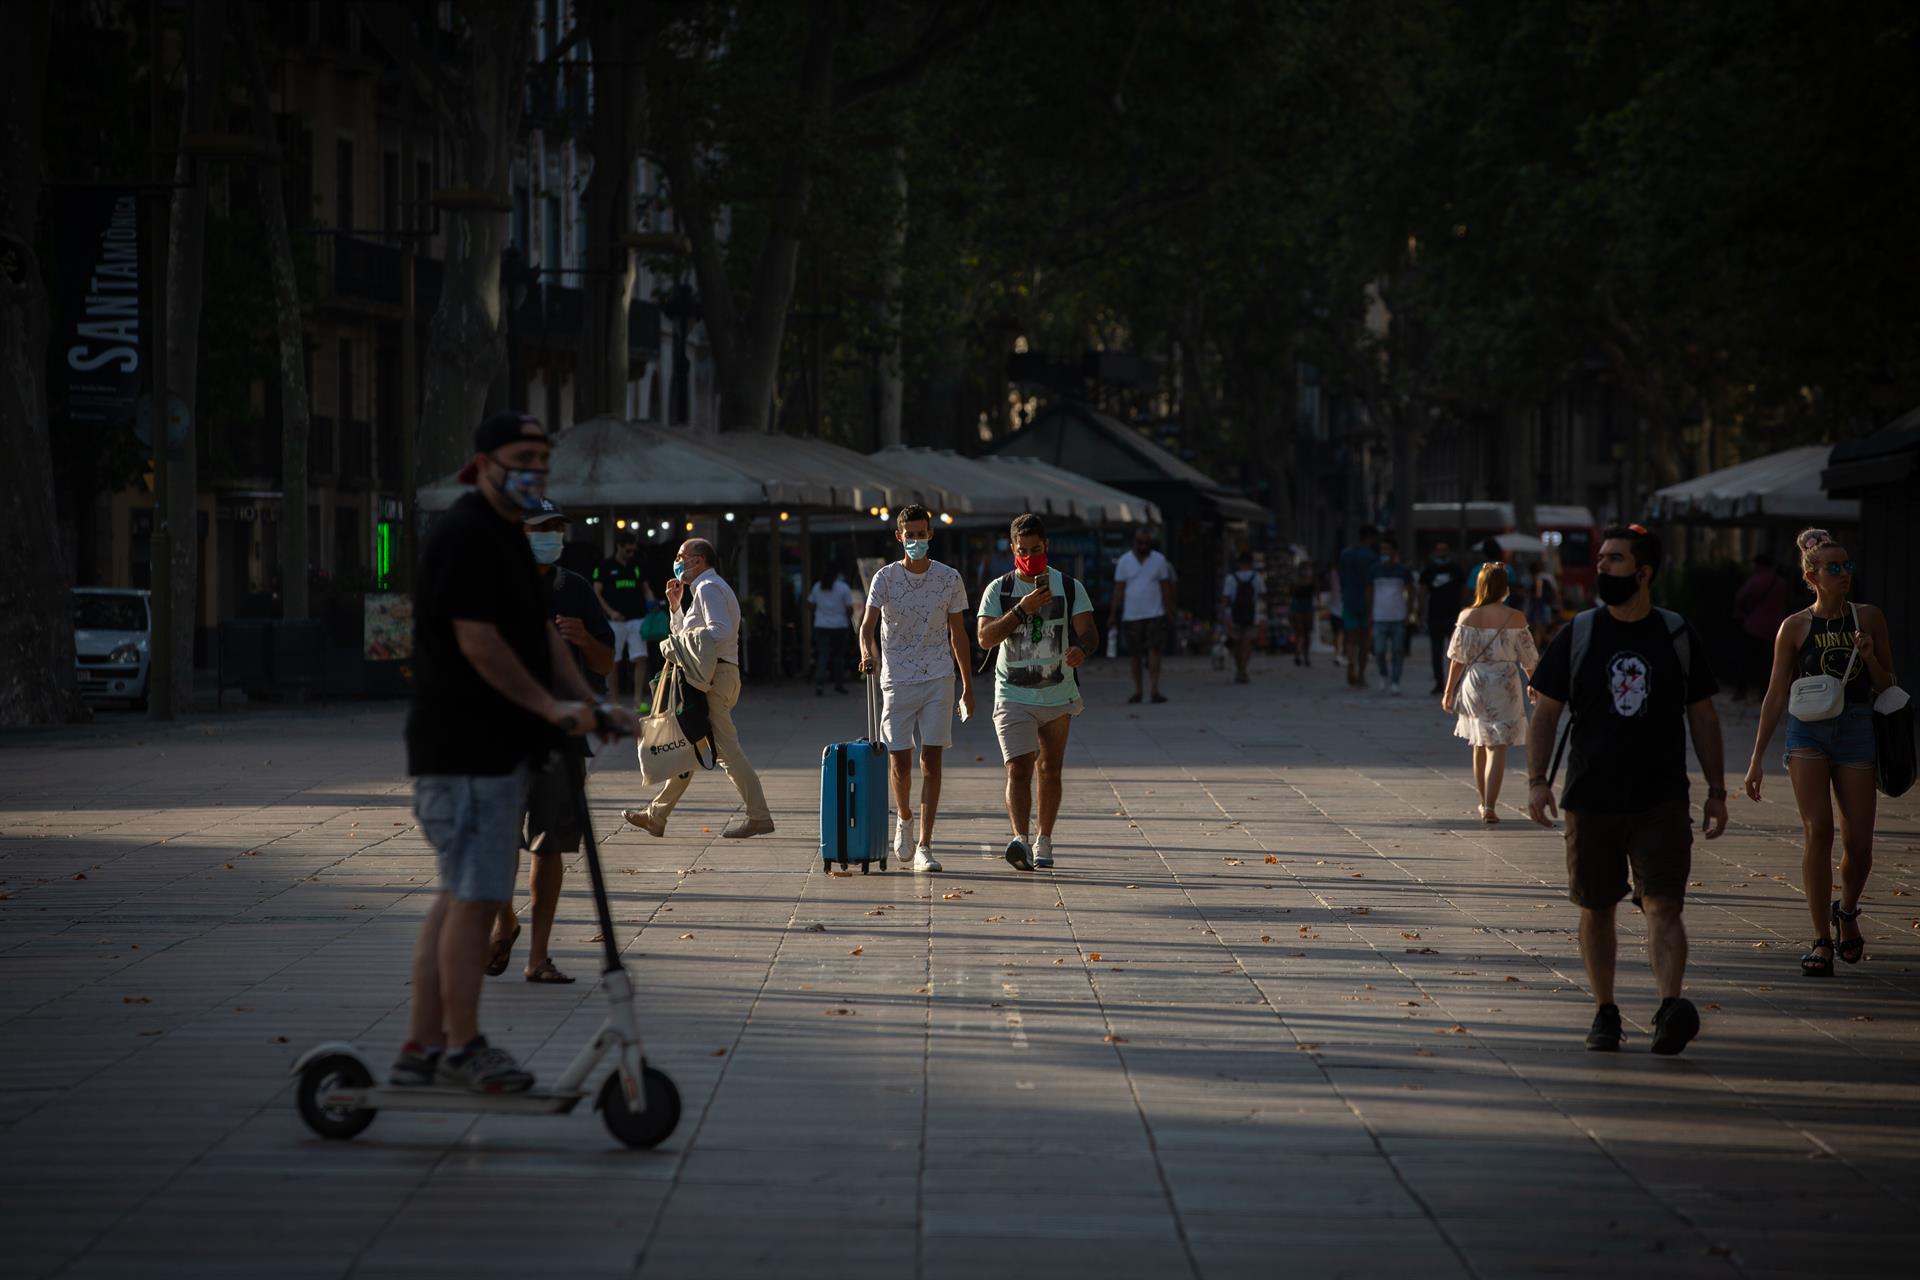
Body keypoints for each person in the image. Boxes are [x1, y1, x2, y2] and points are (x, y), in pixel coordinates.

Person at [395, 412, 636, 1093]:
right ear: (482, 464)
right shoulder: (465, 535)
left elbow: (541, 638)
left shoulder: (509, 539)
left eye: (543, 457)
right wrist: (550, 707)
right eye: (522, 455)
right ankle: (460, 1045)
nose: (535, 468)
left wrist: (589, 704)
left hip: (500, 751)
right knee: (474, 898)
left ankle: (422, 1047)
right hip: (461, 746)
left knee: (461, 897)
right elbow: (480, 643)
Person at [1526, 524, 1726, 1056]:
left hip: (1661, 796)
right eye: (1601, 559)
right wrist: (1537, 781)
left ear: (1644, 572)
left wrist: (1717, 789)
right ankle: (1605, 1011)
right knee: (1597, 907)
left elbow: (1703, 717)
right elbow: (1545, 712)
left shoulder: (1676, 635)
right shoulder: (1580, 633)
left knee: (1663, 904)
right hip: (1590, 796)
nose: (1602, 568)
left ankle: (1667, 1008)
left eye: (1614, 560)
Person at [1742, 529, 1898, 976]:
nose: (1844, 573)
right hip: (1807, 732)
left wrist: (1869, 659)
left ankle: (1846, 911)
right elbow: (1775, 694)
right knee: (1819, 831)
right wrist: (1756, 760)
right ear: (1811, 575)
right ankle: (1820, 940)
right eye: (1833, 567)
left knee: (1860, 843)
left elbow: (1890, 687)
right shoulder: (1793, 627)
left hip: (1855, 728)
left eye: (1847, 565)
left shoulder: (1869, 618)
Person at [485, 498, 613, 986]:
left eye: (557, 528)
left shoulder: (574, 589)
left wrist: (584, 641)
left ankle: (537, 957)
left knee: (550, 843)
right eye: (542, 527)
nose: (552, 535)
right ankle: (505, 923)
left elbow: (604, 664)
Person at [621, 538, 775, 840]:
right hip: (714, 676)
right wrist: (675, 608)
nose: (678, 561)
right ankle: (656, 816)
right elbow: (689, 634)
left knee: (726, 752)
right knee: (688, 746)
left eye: (682, 556)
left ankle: (759, 816)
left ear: (699, 561)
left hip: (714, 678)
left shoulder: (707, 587)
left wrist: (679, 645)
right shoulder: (703, 589)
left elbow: (720, 631)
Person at [858, 506, 976, 873]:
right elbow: (867, 626)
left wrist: (967, 686)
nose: (915, 541)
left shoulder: (949, 578)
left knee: (933, 760)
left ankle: (925, 843)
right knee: (900, 761)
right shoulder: (885, 578)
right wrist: (866, 652)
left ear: (931, 535)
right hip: (896, 678)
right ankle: (904, 818)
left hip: (939, 676)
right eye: (909, 536)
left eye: (921, 535)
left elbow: (958, 634)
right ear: (899, 537)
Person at [978, 513, 1099, 871]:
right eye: (1023, 550)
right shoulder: (999, 590)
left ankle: (1043, 838)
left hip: (1057, 694)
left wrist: (1082, 649)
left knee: (1050, 769)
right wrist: (1021, 609)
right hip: (1012, 694)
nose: (1030, 556)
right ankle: (1019, 839)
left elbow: (1089, 632)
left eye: (1036, 549)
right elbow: (985, 638)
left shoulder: (1070, 587)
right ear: (1012, 548)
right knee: (1018, 768)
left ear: (1046, 547)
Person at [1443, 563, 1538, 822]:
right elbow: (1529, 658)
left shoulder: (1467, 617)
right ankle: (1491, 806)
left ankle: (1483, 804)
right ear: (1505, 586)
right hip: (1505, 683)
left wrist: (1448, 691)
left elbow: (1457, 658)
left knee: (1478, 744)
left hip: (1476, 682)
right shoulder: (1516, 617)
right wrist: (1533, 682)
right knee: (1497, 747)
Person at [1111, 527, 1176, 704]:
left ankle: (1154, 688)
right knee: (1135, 654)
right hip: (1132, 615)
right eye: (1140, 542)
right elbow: (1118, 589)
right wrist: (1113, 613)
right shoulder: (1125, 561)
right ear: (1134, 542)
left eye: (1147, 543)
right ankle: (1138, 690)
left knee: (1155, 650)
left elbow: (1165, 587)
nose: (1144, 546)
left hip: (1155, 612)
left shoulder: (1159, 560)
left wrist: (1169, 610)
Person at [592, 531, 656, 710]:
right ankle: (614, 701)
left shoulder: (637, 565)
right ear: (618, 547)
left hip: (637, 618)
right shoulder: (605, 566)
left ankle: (637, 700)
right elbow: (596, 593)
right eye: (628, 551)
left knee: (640, 657)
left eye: (633, 551)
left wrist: (653, 605)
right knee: (614, 660)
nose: (631, 554)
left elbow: (646, 589)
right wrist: (610, 612)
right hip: (615, 621)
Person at [1731, 552, 1789, 701]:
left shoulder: (1755, 580)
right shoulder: (1781, 583)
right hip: (1775, 628)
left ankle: (1741, 691)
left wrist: (1742, 613)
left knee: (1745, 661)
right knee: (1768, 663)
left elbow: (1741, 597)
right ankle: (1764, 693)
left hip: (1753, 626)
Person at [1368, 539, 1415, 695]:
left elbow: (1411, 592)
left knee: (1397, 651)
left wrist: (1409, 613)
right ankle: (1383, 675)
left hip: (1398, 617)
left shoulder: (1403, 571)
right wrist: (1369, 613)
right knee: (1379, 651)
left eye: (1387, 549)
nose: (1384, 553)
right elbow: (1369, 593)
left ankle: (1395, 681)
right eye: (1382, 550)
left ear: (1394, 552)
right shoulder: (1374, 570)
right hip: (1379, 617)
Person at [1419, 541, 1466, 695]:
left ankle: (1454, 683)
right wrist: (1421, 612)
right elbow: (1423, 591)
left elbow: (1463, 590)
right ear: (1435, 552)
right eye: (1439, 550)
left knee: (1456, 652)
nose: (1442, 552)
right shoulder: (1429, 570)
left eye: (1444, 549)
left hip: (1454, 616)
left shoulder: (1456, 570)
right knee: (1436, 651)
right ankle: (1439, 682)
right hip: (1435, 616)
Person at [1337, 526, 1381, 687]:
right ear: (1370, 538)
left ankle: (1350, 665)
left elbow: (1341, 576)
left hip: (1349, 599)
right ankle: (1361, 674)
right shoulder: (1372, 557)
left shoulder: (1345, 554)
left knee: (1350, 638)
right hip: (1367, 602)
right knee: (1364, 640)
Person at [809, 566, 858, 696]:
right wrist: (848, 620)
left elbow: (811, 605)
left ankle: (819, 684)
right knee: (839, 657)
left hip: (821, 625)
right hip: (839, 626)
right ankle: (839, 684)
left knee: (823, 655)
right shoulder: (843, 588)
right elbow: (849, 608)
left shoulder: (817, 587)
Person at [1220, 551, 1267, 684]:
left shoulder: (1230, 578)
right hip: (1251, 614)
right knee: (1247, 642)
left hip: (1234, 614)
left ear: (1239, 563)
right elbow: (1262, 595)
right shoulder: (1257, 577)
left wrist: (1223, 614)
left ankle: (1238, 668)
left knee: (1236, 642)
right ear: (1251, 563)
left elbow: (1225, 598)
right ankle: (1244, 669)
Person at [1288, 560, 1318, 668]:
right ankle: (1298, 654)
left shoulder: (1312, 578)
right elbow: (1291, 591)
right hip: (1298, 604)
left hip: (1307, 604)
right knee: (1300, 631)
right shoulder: (1295, 578)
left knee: (1306, 632)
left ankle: (1305, 655)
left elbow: (1316, 589)